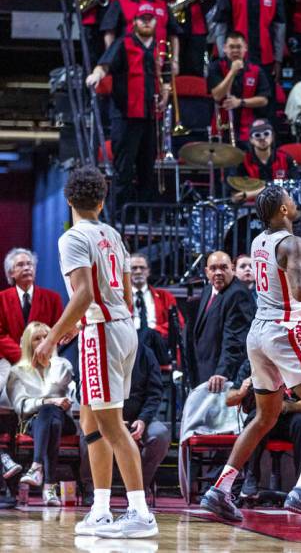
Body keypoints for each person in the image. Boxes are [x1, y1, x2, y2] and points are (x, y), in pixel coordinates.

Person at [200, 186, 301, 523]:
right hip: (285, 331)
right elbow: (300, 291)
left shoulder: (260, 242)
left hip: (258, 334)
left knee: (264, 418)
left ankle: (220, 488)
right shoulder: (293, 242)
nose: (295, 201)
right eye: (290, 197)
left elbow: (287, 278)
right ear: (283, 210)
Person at [35, 166, 157, 537]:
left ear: (68, 199)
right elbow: (122, 291)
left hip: (103, 332)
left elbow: (85, 292)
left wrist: (52, 336)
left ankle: (140, 512)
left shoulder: (72, 237)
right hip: (119, 326)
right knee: (91, 422)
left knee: (110, 426)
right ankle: (101, 509)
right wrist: (78, 325)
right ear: (101, 202)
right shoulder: (112, 234)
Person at [87, 3, 171, 209]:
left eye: (150, 18)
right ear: (134, 22)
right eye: (142, 18)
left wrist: (166, 93)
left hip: (150, 116)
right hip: (126, 115)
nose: (146, 22)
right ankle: (118, 218)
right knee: (123, 169)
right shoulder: (123, 43)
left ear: (155, 21)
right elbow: (104, 65)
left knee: (147, 170)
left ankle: (143, 218)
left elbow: (166, 76)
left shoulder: (160, 46)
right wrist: (96, 76)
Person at [81, 329, 169, 495]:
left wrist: (143, 419)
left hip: (137, 417)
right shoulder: (96, 350)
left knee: (160, 435)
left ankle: (139, 487)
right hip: (102, 416)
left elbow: (155, 393)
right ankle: (91, 488)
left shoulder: (145, 353)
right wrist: (110, 419)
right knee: (89, 436)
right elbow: (85, 392)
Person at [6, 322, 76, 507]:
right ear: (29, 344)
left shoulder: (62, 365)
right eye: (38, 338)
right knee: (50, 418)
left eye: (47, 337)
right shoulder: (17, 372)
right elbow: (21, 406)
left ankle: (36, 467)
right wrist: (48, 401)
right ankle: (49, 486)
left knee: (52, 414)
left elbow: (72, 395)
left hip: (64, 418)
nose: (44, 341)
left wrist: (58, 401)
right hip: (32, 423)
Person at [225, 359, 301, 498]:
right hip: (262, 414)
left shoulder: (295, 364)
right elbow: (228, 400)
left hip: (289, 416)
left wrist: (286, 406)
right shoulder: (252, 363)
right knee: (255, 421)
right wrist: (241, 392)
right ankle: (251, 477)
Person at [213, 0, 286, 111]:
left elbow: (279, 29)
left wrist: (278, 59)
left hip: (265, 58)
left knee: (265, 103)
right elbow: (221, 26)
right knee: (235, 102)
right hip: (236, 59)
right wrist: (224, 56)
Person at [188, 251, 254, 391]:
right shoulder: (207, 290)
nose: (218, 272)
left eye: (223, 267)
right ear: (206, 272)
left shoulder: (238, 294)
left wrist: (222, 372)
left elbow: (235, 340)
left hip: (223, 378)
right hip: (204, 371)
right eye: (213, 268)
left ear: (233, 269)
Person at [101, 0, 180, 62]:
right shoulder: (118, 5)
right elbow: (109, 34)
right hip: (127, 64)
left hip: (159, 64)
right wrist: (111, 60)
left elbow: (173, 34)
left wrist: (175, 60)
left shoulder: (163, 5)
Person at [208, 32, 271, 145]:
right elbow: (217, 95)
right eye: (231, 47)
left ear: (245, 48)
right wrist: (232, 72)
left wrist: (240, 102)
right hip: (221, 129)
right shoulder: (215, 67)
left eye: (239, 47)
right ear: (224, 49)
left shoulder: (256, 70)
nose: (235, 51)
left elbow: (264, 100)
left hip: (248, 131)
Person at [0, 248, 63, 362]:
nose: (27, 268)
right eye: (20, 265)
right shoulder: (1, 299)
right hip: (10, 361)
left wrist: (42, 352)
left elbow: (58, 330)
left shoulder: (53, 298)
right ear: (11, 273)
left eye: (29, 264)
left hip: (44, 360)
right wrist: (23, 357)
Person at [233, 119, 298, 204]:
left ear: (272, 136)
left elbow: (294, 186)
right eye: (257, 135)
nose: (262, 138)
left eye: (266, 134)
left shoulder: (286, 159)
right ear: (251, 139)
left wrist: (252, 193)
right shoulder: (242, 163)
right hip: (252, 210)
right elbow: (236, 196)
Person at [129, 253, 183, 339]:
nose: (138, 271)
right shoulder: (121, 298)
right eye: (134, 268)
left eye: (142, 268)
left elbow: (178, 323)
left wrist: (154, 331)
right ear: (128, 272)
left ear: (148, 271)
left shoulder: (165, 296)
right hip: (130, 341)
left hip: (156, 342)